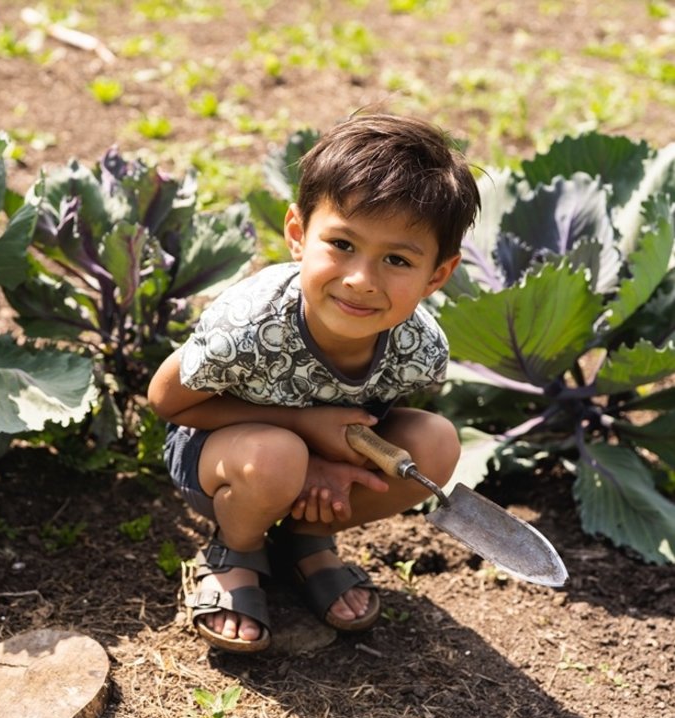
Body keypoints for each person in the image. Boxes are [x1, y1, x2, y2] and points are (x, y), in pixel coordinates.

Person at [147, 112, 481, 653]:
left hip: (323, 454)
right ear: (298, 234)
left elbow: (374, 417)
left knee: (435, 443)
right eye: (343, 245)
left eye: (397, 259)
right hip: (220, 456)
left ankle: (306, 541)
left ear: (436, 276)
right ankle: (237, 550)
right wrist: (303, 429)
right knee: (277, 456)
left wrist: (329, 467)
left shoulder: (419, 348)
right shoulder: (250, 325)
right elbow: (166, 401)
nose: (360, 279)